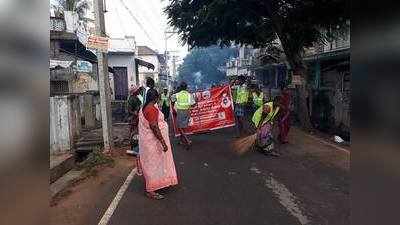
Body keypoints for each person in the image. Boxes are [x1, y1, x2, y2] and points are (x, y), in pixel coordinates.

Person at [138, 89, 178, 200]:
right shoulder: (151, 109)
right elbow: (154, 127)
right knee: (153, 165)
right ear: (155, 98)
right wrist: (163, 142)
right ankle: (151, 190)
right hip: (153, 143)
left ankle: (156, 184)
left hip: (149, 142)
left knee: (154, 164)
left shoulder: (145, 107)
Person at [171, 82, 196, 150]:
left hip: (180, 111)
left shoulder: (177, 94)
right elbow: (193, 104)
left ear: (181, 87)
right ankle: (181, 141)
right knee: (183, 127)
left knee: (180, 128)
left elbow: (172, 99)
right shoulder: (189, 95)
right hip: (187, 111)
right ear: (186, 87)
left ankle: (187, 141)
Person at [126, 85, 142, 156]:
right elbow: (129, 110)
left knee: (136, 133)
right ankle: (133, 149)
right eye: (137, 90)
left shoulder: (136, 98)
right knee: (134, 134)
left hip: (136, 118)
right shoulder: (132, 99)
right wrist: (135, 113)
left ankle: (136, 148)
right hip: (133, 119)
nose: (138, 91)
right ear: (134, 92)